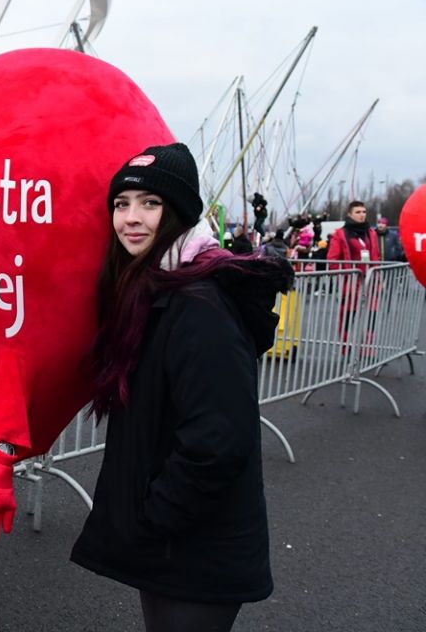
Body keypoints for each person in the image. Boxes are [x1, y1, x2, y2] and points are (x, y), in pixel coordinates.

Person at [71, 143, 292, 632]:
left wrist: (156, 517)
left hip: (197, 547)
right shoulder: (153, 288)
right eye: (121, 204)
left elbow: (218, 440)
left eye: (150, 204)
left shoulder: (199, 306)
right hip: (175, 543)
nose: (131, 217)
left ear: (179, 213)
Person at [327, 201, 380, 346]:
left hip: (370, 280)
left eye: (364, 211)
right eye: (358, 212)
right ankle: (345, 345)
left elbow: (376, 255)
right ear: (350, 214)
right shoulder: (340, 234)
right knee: (348, 315)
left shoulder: (371, 233)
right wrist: (346, 272)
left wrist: (378, 276)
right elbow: (332, 260)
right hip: (351, 283)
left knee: (372, 314)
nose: (362, 215)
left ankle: (368, 346)